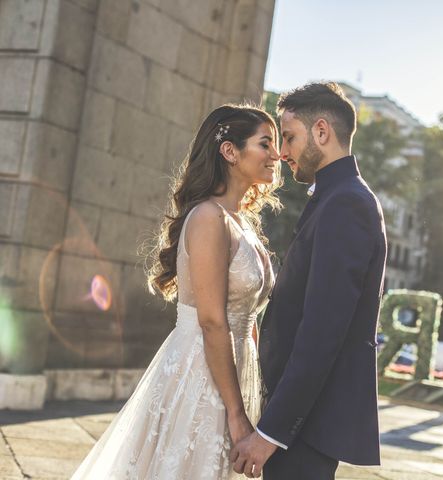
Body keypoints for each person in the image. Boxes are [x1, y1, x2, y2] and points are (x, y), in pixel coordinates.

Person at [71, 104, 280, 479]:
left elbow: (247, 315)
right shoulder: (207, 218)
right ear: (230, 151)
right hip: (202, 370)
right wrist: (236, 413)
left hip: (237, 369)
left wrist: (256, 390)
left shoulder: (243, 224)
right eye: (266, 144)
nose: (276, 155)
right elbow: (213, 321)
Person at [232, 82, 387, 479]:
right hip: (301, 422)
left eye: (289, 137)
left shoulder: (346, 203)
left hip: (305, 427)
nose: (282, 153)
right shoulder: (334, 198)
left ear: (322, 131)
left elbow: (322, 332)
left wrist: (270, 434)